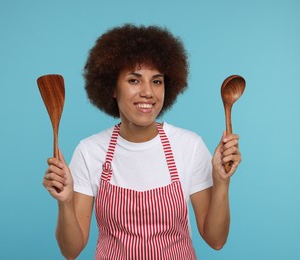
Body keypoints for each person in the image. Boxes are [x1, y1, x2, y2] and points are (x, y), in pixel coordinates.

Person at [43, 24, 242, 259]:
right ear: (113, 88)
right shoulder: (90, 151)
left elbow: (216, 240)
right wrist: (65, 202)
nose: (148, 92)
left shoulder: (189, 146)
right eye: (134, 80)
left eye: (156, 81)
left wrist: (221, 181)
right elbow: (71, 250)